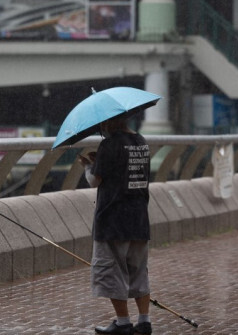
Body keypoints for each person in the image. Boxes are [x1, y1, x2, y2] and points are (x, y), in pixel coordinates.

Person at [78, 115, 152, 335]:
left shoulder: (110, 144)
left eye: (103, 123)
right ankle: (145, 321)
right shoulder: (141, 142)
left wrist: (88, 166)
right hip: (139, 216)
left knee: (111, 271)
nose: (102, 127)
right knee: (138, 271)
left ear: (108, 122)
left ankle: (123, 323)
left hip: (113, 218)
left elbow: (95, 180)